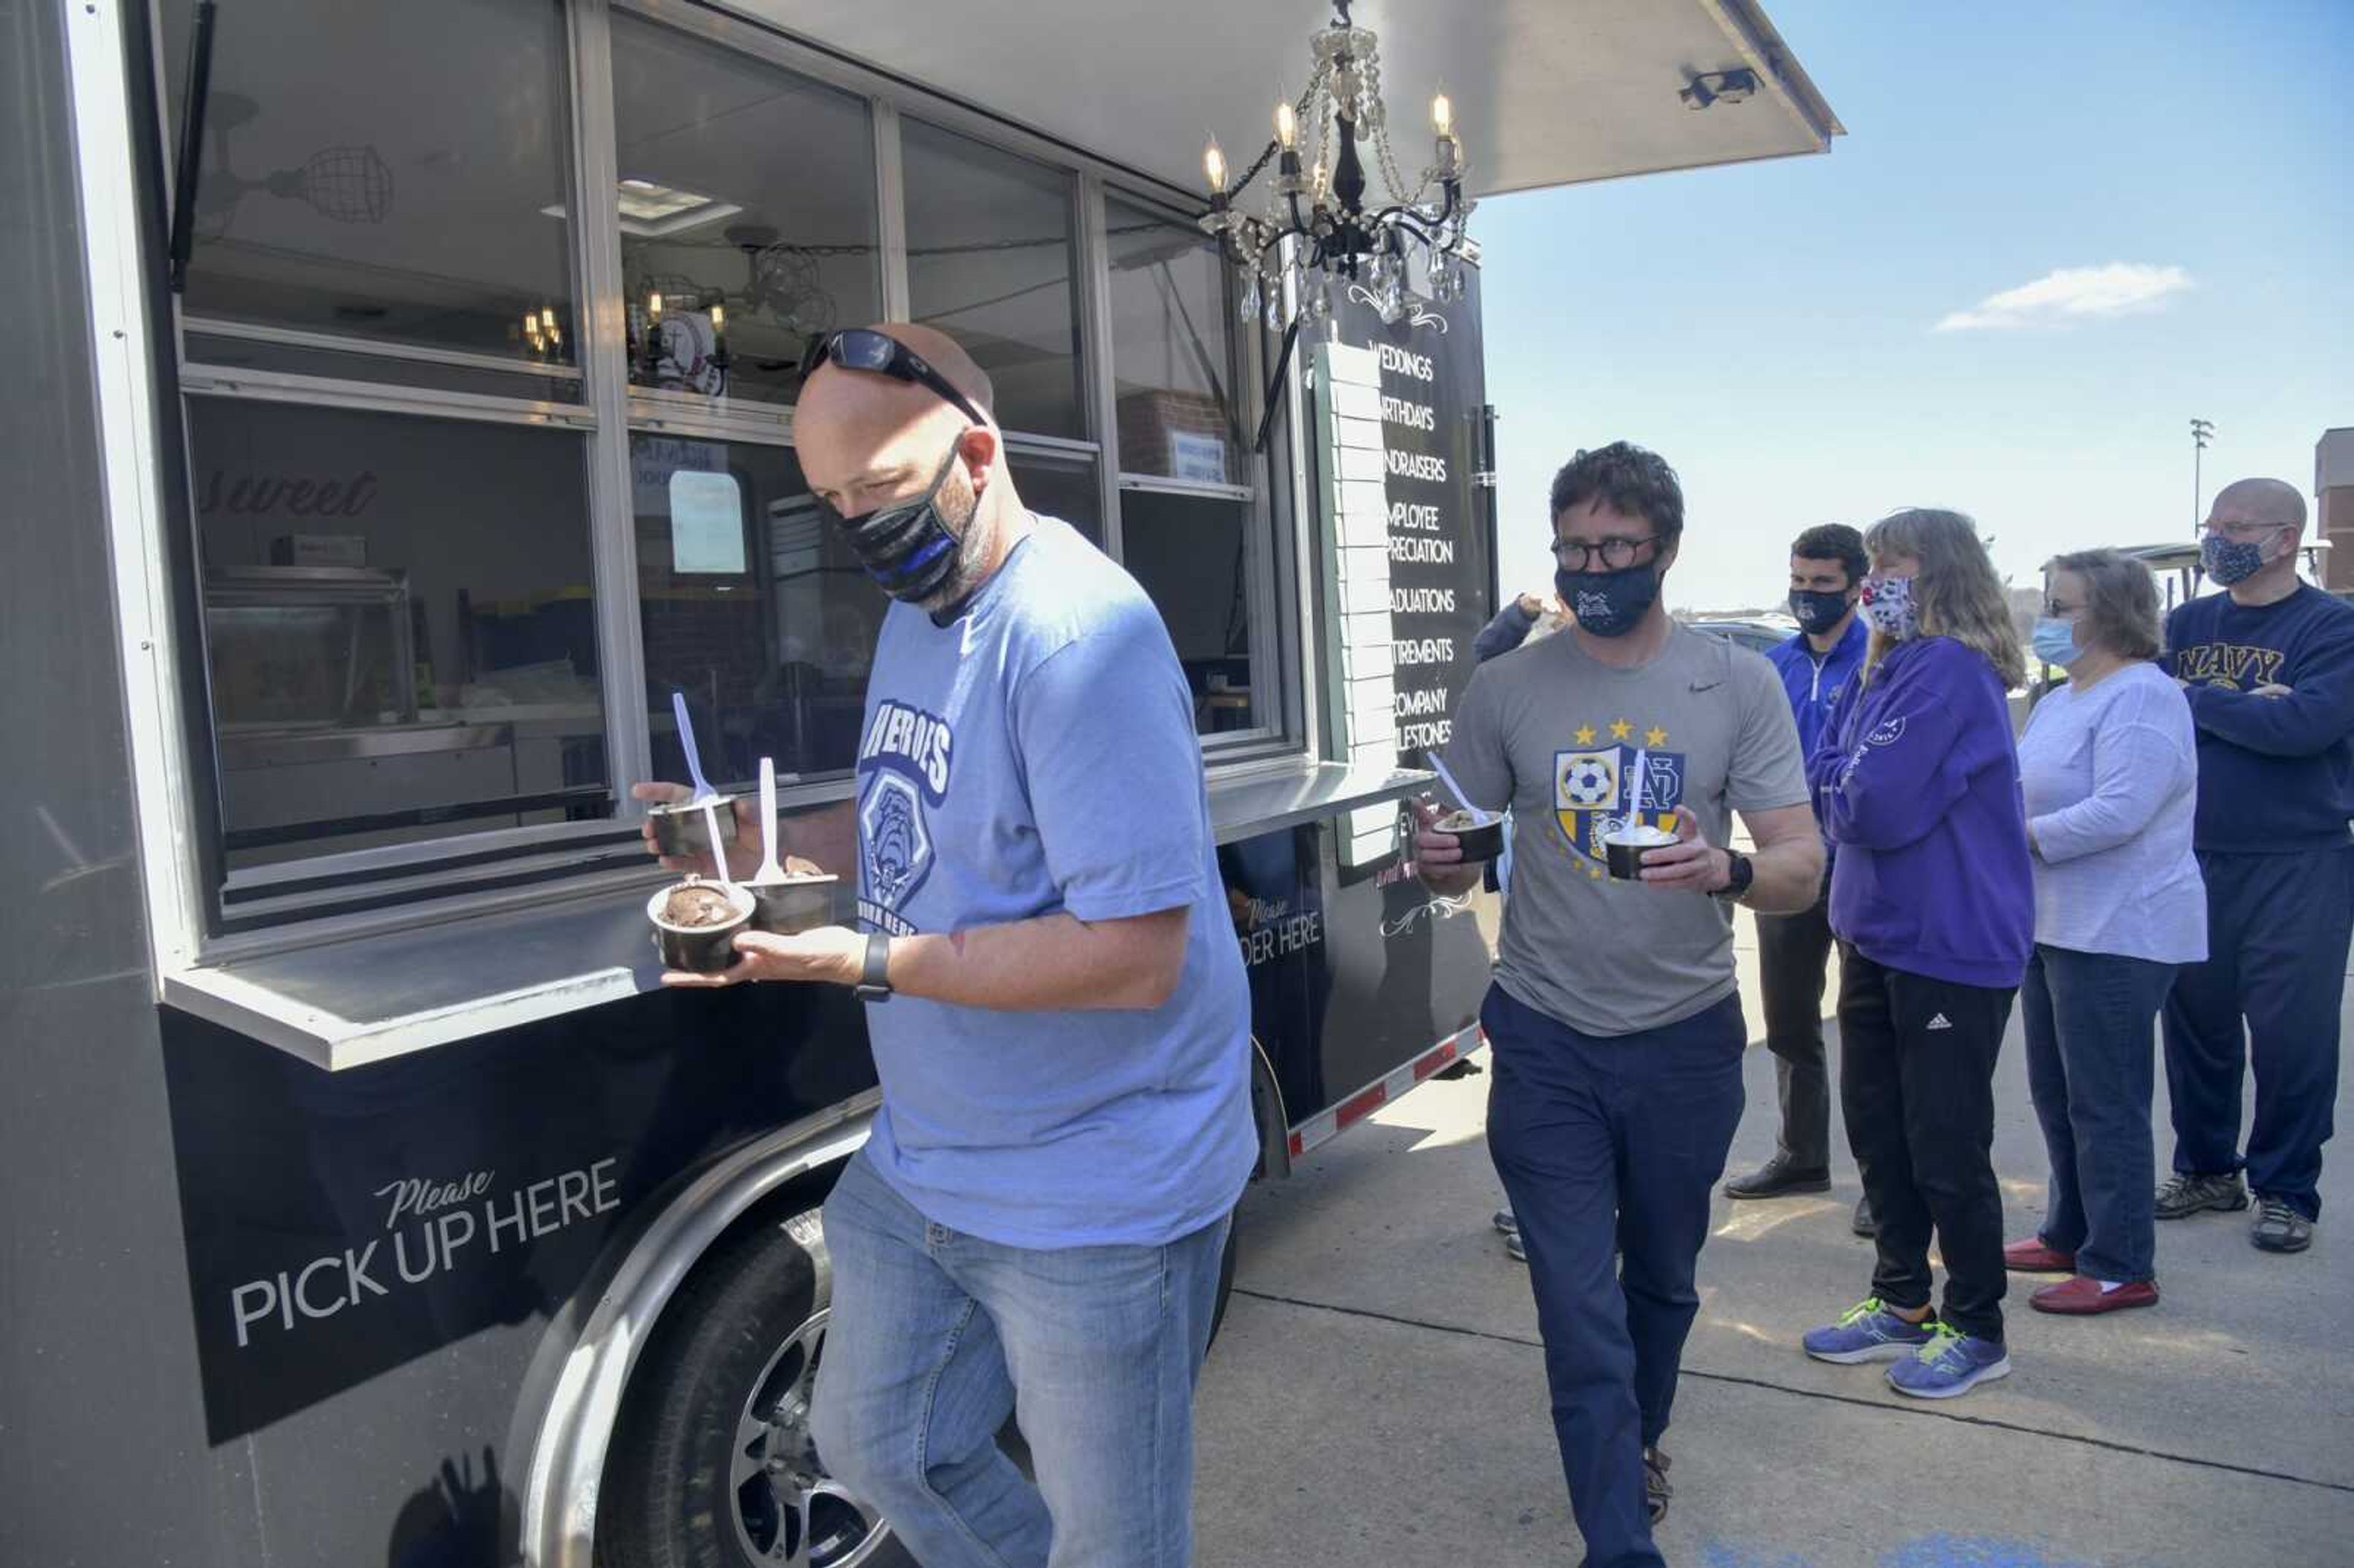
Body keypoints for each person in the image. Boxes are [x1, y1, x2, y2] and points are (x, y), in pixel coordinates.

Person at [638, 324, 1254, 1568]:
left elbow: (1132, 954)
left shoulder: (1082, 641)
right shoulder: (927, 607)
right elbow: (907, 815)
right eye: (828, 502)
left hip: (1095, 1189)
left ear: (977, 452)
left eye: (877, 493)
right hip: (926, 1161)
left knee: (1116, 1542)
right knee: (880, 1444)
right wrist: (759, 838)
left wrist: (865, 962)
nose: (856, 525)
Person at [1414, 442, 1823, 1564]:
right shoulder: (1507, 687)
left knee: (1662, 1281)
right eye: (1574, 548)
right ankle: (1616, 1541)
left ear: (1666, 551)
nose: (1592, 568)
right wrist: (1441, 852)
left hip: (1685, 1039)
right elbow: (1457, 856)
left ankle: (1642, 1432)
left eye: (1616, 547)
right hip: (1545, 1033)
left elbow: (1801, 862)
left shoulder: (1734, 681)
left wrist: (1728, 870)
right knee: (1575, 1302)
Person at [1800, 508, 2032, 1399]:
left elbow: (1872, 808)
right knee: (1881, 1131)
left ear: (1934, 571)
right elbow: (1825, 771)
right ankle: (1901, 1299)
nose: (1871, 580)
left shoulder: (1948, 672)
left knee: (1945, 1141)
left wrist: (1840, 783)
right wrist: (1841, 781)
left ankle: (1976, 1323)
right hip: (1876, 936)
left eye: (1888, 563)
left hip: (1949, 947)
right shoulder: (1885, 666)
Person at [2005, 550, 2204, 1314]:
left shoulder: (2144, 697)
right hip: (2056, 923)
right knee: (2057, 1093)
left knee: (2106, 1100)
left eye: (2063, 607)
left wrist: (2013, 837)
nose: (2047, 621)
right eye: (2048, 604)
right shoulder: (2062, 698)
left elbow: (2122, 810)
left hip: (2121, 927)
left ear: (2114, 613)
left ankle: (2122, 1262)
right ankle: (2070, 1230)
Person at [2160, 478, 2354, 1255]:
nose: (2218, 538)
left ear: (2284, 538)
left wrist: (2195, 699)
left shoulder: (2332, 627)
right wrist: (2250, 704)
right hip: (2195, 853)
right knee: (2197, 1024)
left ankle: (2286, 1188)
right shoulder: (2187, 621)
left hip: (2299, 859)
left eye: (2235, 525)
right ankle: (2209, 1168)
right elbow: (2151, 713)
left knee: (2291, 1035)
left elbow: (2306, 726)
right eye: (2212, 524)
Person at [1726, 525, 1874, 1239]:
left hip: (1866, 871)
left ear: (1856, 587)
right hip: (1787, 867)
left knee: (1871, 1028)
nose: (1807, 596)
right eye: (1799, 581)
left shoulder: (1884, 661)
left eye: (1823, 584)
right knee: (1788, 1021)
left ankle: (1885, 1178)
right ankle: (1801, 1154)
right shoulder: (1773, 665)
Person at [1473, 588, 1572, 1257]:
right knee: (1534, 1084)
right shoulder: (1524, 666)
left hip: (1587, 925)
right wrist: (1524, 611)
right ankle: (1530, 1210)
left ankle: (1589, 1214)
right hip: (1529, 923)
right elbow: (1484, 656)